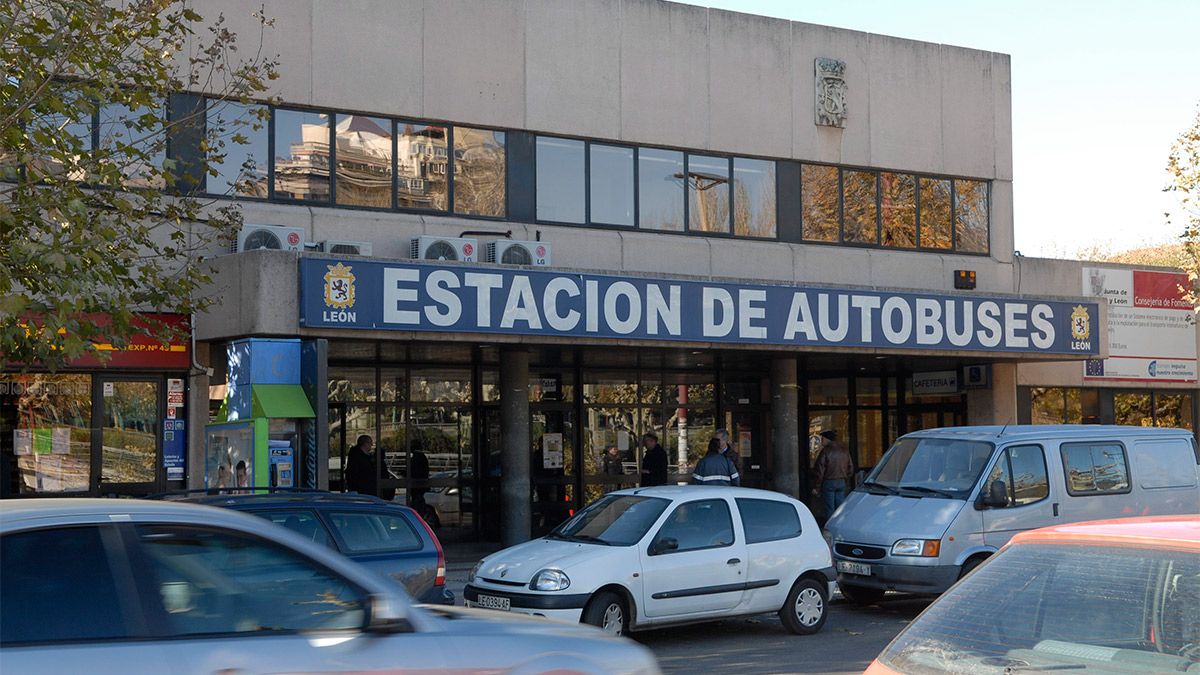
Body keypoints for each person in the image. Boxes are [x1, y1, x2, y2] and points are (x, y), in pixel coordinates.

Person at [811, 430, 854, 518]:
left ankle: (829, 529)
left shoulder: (825, 451)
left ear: (827, 439)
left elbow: (820, 471)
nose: (821, 441)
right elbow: (850, 468)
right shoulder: (844, 450)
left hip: (829, 482)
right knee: (840, 508)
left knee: (829, 508)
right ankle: (839, 525)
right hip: (841, 482)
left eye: (822, 438)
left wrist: (817, 487)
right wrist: (845, 478)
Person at [409, 439, 431, 514]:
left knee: (417, 505)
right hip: (419, 487)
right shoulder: (421, 457)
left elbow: (415, 471)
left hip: (417, 487)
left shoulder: (417, 458)